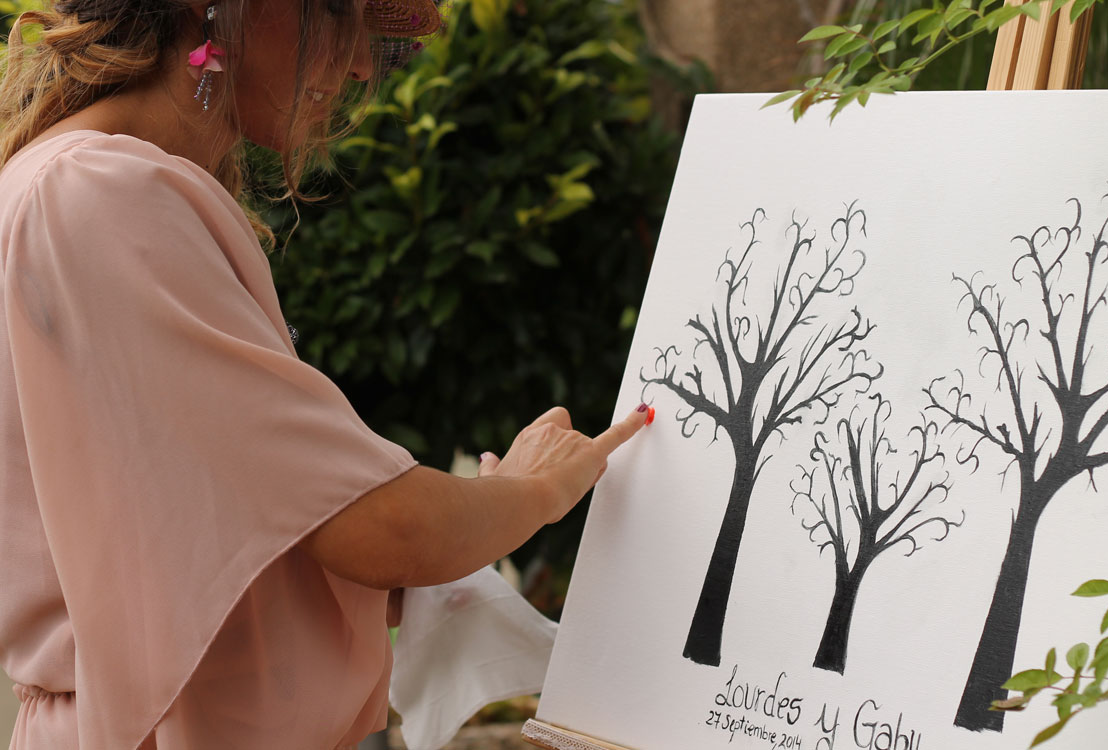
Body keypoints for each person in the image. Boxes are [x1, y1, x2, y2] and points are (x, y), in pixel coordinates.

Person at [0, 1, 650, 747]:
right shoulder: (99, 192)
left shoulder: (72, 183)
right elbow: (383, 528)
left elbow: (202, 541)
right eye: (341, 11)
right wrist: (537, 488)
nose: (364, 64)